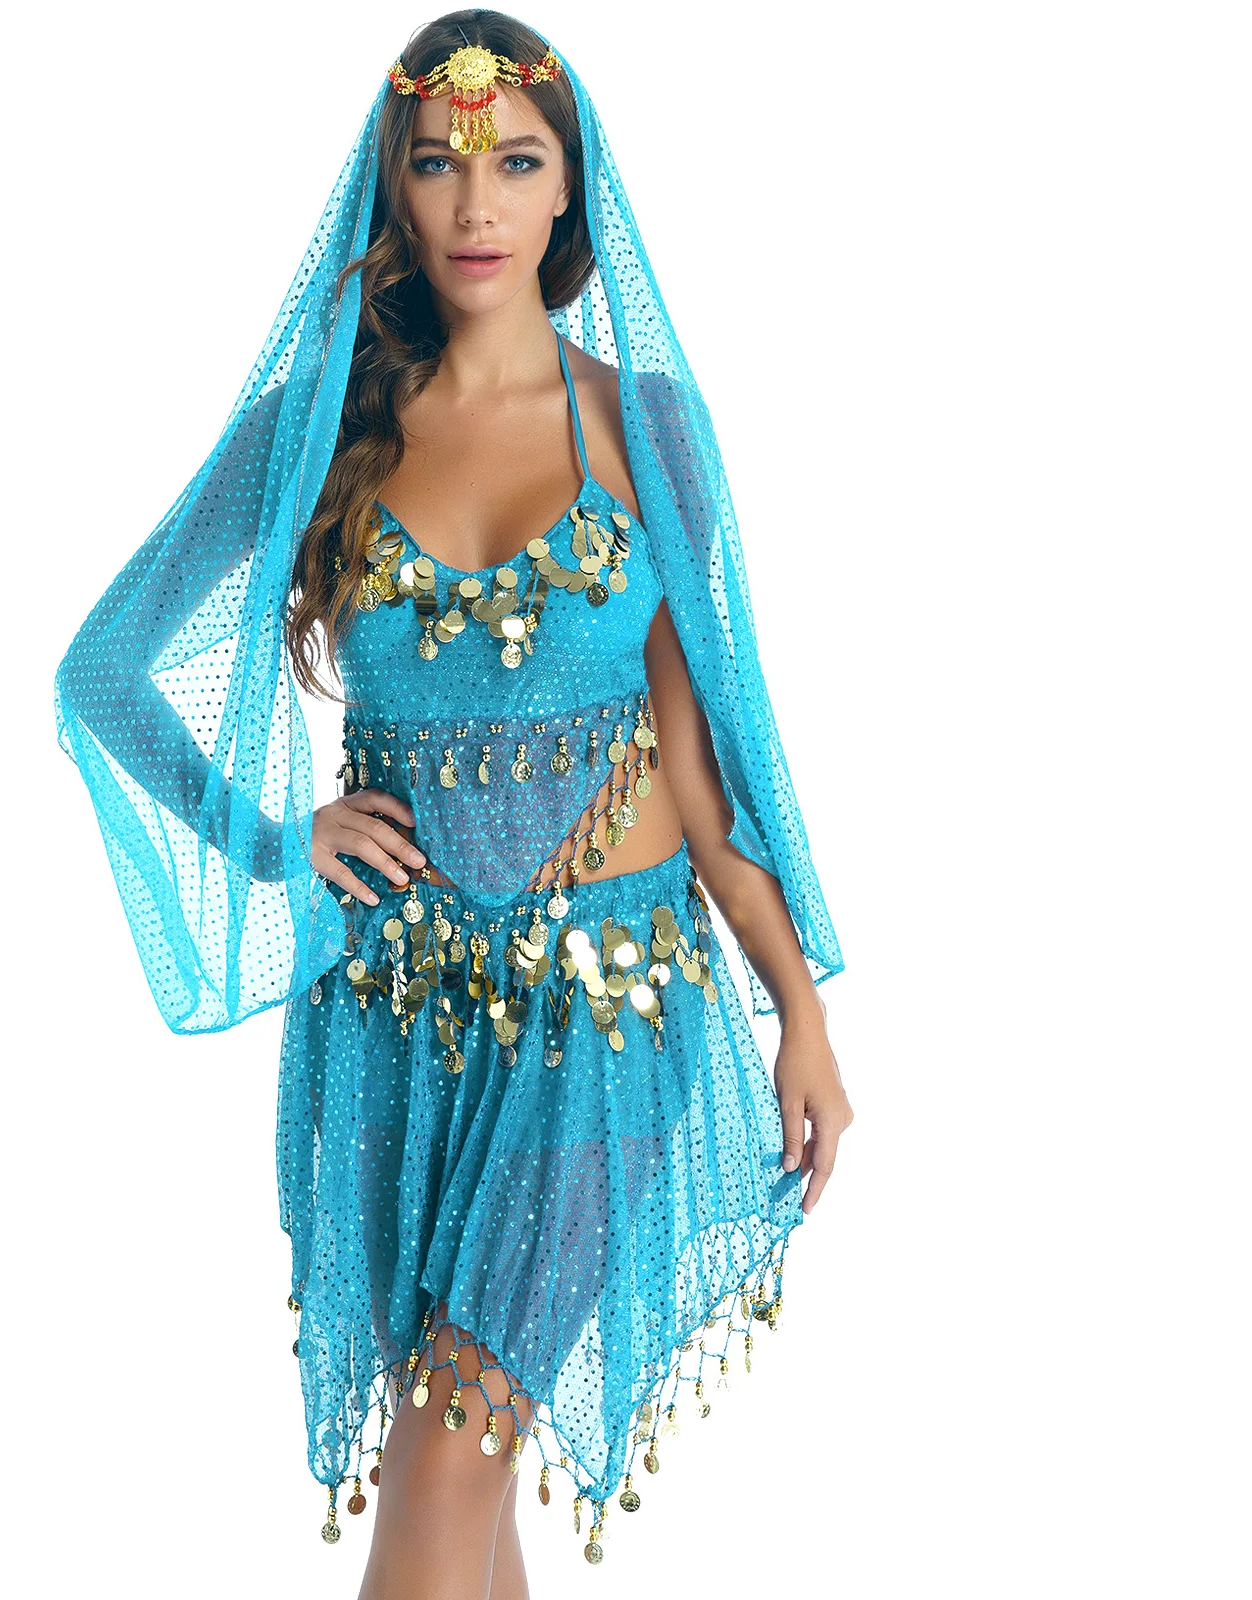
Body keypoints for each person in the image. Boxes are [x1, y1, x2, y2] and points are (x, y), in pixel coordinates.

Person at [54, 11, 851, 1592]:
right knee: (467, 1505)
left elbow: (703, 774)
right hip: (390, 1022)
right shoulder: (325, 425)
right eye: (438, 165)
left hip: (605, 1020)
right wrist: (276, 840)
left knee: (444, 1466)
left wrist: (801, 1011)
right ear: (396, 192)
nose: (478, 202)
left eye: (517, 162)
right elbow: (105, 674)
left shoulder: (644, 428)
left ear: (571, 192)